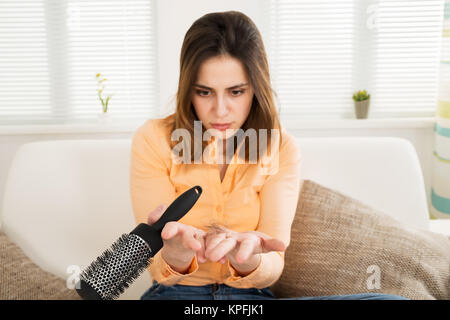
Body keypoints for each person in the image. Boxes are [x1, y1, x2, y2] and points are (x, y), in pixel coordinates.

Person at [130, 10, 408, 301]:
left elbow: (274, 262)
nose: (221, 110)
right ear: (188, 89)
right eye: (205, 92)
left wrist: (248, 259)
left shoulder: (281, 146)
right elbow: (154, 265)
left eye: (236, 92)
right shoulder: (153, 139)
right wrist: (175, 255)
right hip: (175, 295)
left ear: (256, 89)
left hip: (251, 301)